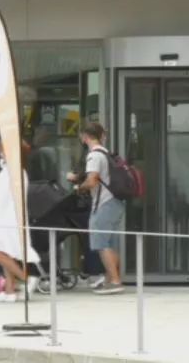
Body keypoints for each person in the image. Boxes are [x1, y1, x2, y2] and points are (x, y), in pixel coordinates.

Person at [0, 141, 41, 303]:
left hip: (6, 218)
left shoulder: (11, 172)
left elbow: (1, 197)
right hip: (8, 217)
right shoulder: (15, 171)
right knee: (5, 252)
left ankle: (26, 278)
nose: (0, 153)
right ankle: (9, 290)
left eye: (3, 150)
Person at [70, 122, 124, 295]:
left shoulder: (93, 156)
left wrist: (78, 187)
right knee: (110, 244)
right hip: (115, 202)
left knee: (101, 243)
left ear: (85, 136)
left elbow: (92, 180)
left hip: (103, 203)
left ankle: (114, 281)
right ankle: (110, 278)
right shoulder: (106, 153)